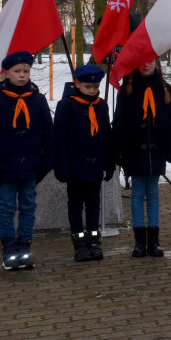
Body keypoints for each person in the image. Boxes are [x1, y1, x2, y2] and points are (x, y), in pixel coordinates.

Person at [0, 50, 54, 271]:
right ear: (6, 73)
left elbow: (48, 134)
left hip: (31, 166)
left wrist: (46, 162)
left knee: (29, 206)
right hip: (6, 167)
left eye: (26, 71)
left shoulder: (38, 100)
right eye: (17, 71)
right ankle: (9, 248)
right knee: (6, 208)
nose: (22, 75)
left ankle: (24, 246)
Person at [114, 56, 171, 258]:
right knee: (136, 193)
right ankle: (139, 240)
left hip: (157, 149)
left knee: (152, 193)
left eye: (150, 60)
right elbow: (120, 122)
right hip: (135, 150)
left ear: (156, 63)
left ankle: (154, 239)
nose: (145, 63)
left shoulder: (166, 89)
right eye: (142, 60)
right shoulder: (128, 89)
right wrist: (119, 150)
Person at [54, 64, 116, 262]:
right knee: (75, 206)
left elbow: (106, 135)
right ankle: (79, 243)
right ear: (77, 84)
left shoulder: (101, 105)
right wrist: (62, 166)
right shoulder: (67, 105)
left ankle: (93, 240)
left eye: (96, 87)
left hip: (95, 165)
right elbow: (60, 139)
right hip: (75, 167)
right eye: (88, 87)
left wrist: (109, 163)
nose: (92, 91)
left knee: (93, 205)